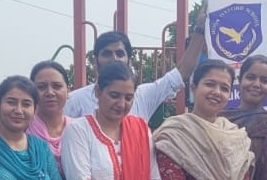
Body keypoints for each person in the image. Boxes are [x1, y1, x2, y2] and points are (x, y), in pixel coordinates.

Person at [63, 27, 207, 120]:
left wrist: (200, 29)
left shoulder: (142, 96)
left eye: (120, 54)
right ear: (95, 61)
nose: (114, 59)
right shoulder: (75, 101)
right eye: (107, 54)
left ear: (129, 60)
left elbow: (182, 73)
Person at [224, 55, 267, 157]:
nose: (256, 84)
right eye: (251, 77)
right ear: (240, 80)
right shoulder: (222, 120)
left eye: (264, 80)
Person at [27, 61, 72, 161]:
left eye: (57, 86)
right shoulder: (24, 129)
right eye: (41, 87)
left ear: (68, 90)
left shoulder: (79, 129)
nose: (50, 93)